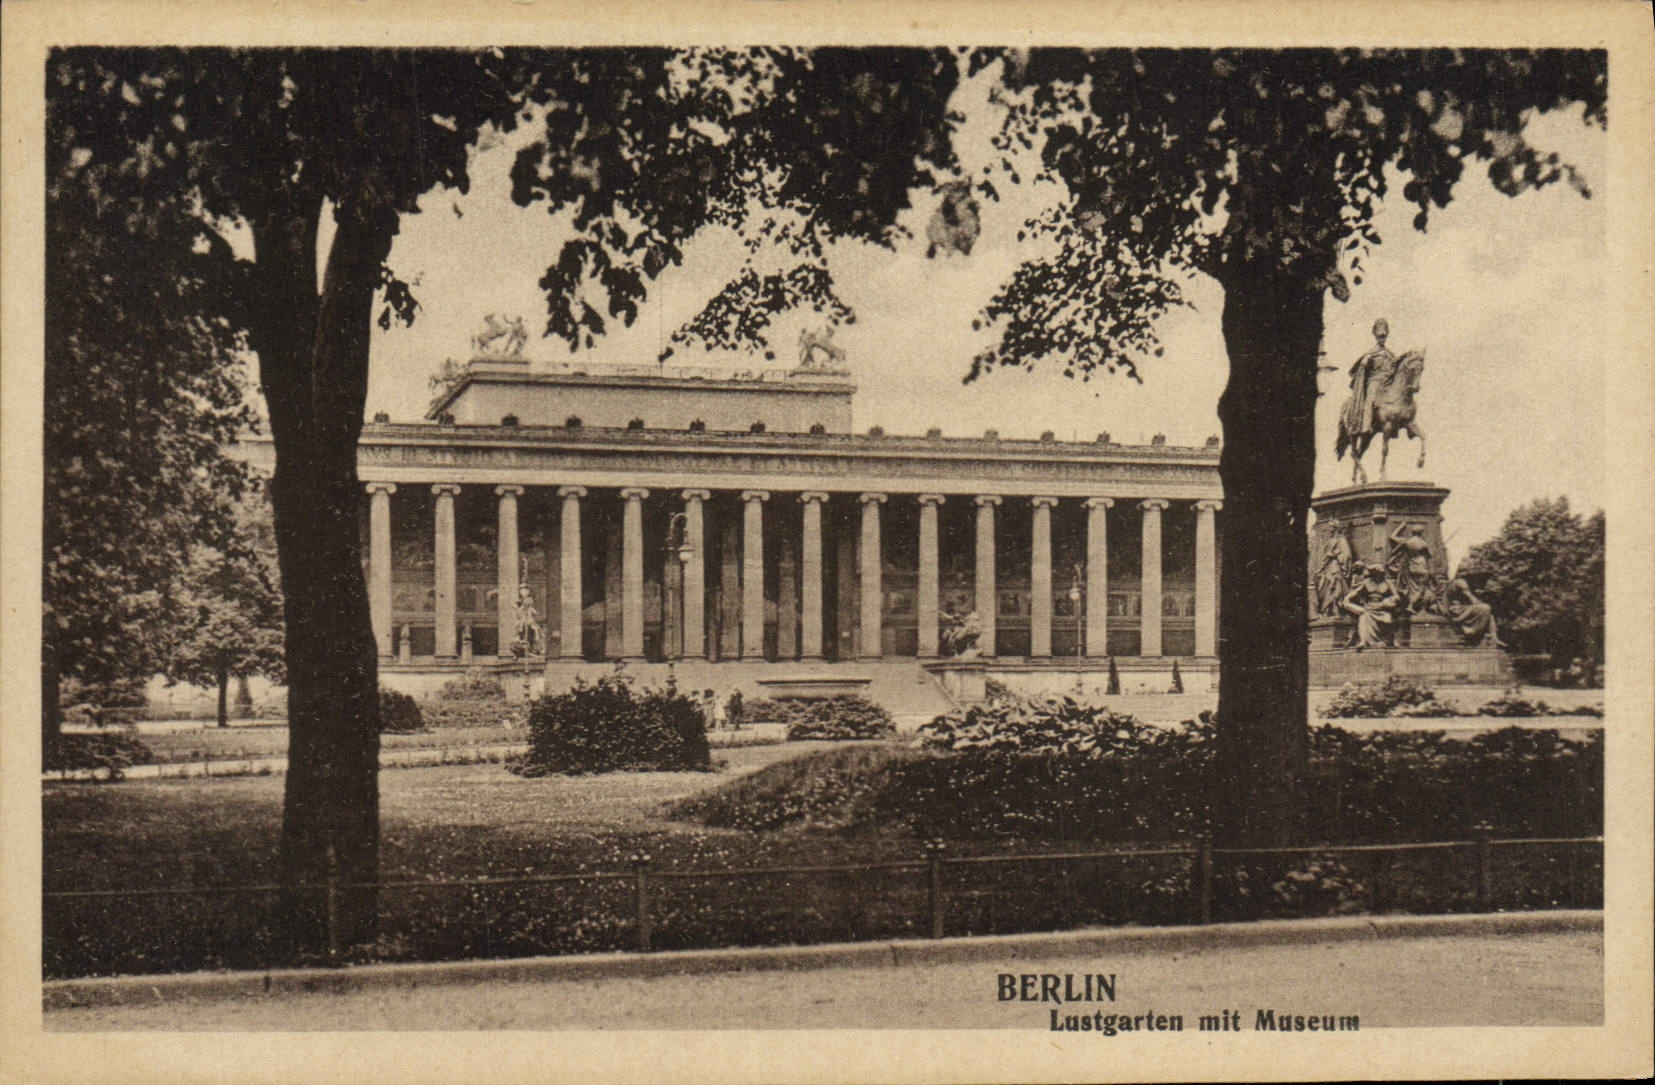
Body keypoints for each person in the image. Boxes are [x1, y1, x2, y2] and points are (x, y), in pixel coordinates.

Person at [1347, 318, 1401, 442]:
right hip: (1375, 382)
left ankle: (1395, 427)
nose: (1382, 339)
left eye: (1384, 336)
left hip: (1388, 383)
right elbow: (1361, 368)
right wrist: (1364, 363)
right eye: (1380, 336)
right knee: (1370, 400)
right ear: (1376, 337)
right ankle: (1366, 426)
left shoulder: (1390, 353)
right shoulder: (1371, 353)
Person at [1342, 563, 1399, 650]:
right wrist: (1347, 597)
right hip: (1369, 607)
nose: (1380, 574)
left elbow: (1397, 596)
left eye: (1382, 573)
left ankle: (1391, 639)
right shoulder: (1367, 582)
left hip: (1382, 607)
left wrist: (1388, 600)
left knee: (1388, 619)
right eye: (1378, 572)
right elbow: (1356, 591)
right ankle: (1363, 641)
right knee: (1363, 617)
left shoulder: (1388, 582)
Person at [1387, 522, 1437, 615]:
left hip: (1411, 567)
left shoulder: (1406, 542)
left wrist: (1402, 525)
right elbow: (1429, 556)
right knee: (1420, 588)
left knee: (1413, 587)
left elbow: (1392, 538)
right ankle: (1411, 605)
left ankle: (1410, 605)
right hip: (1422, 566)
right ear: (1421, 533)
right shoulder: (1424, 543)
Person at [1443, 577, 1503, 648]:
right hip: (1456, 610)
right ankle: (1472, 632)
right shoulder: (1460, 582)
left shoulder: (1462, 583)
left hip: (1462, 608)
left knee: (1489, 615)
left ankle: (1494, 638)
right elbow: (1473, 600)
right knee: (1486, 608)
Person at [1313, 523, 1355, 617]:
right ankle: (1326, 610)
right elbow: (1324, 557)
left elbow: (1347, 555)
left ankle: (1336, 610)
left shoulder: (1341, 540)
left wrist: (1335, 555)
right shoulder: (1329, 541)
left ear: (1336, 528)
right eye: (1328, 528)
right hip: (1328, 568)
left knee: (1335, 586)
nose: (1328, 530)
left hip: (1336, 567)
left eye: (1331, 528)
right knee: (1324, 586)